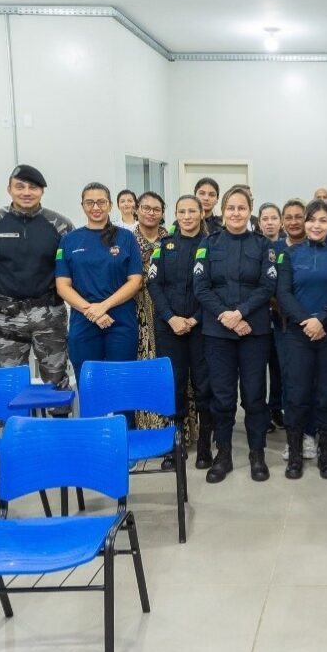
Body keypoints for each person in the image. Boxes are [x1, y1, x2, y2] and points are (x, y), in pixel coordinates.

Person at [194, 185, 277, 483]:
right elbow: (201, 287)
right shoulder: (208, 243)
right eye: (231, 208)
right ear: (223, 210)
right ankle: (224, 454)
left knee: (255, 396)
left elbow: (267, 287)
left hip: (253, 331)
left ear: (249, 210)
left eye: (242, 208)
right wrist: (227, 318)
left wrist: (239, 314)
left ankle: (257, 454)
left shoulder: (263, 245)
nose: (236, 213)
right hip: (218, 333)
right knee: (222, 397)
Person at [0, 165, 75, 392]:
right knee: (8, 383)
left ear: (42, 191)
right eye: (20, 187)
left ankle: (59, 426)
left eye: (33, 187)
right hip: (5, 316)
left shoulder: (60, 225)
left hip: (49, 315)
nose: (26, 192)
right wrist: (10, 286)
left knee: (57, 380)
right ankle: (14, 427)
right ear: (9, 189)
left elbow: (70, 267)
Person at [277, 199, 327, 479]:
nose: (316, 225)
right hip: (298, 334)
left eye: (322, 220)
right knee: (297, 394)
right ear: (304, 223)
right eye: (311, 220)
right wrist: (307, 321)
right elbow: (283, 294)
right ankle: (295, 454)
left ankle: (325, 454)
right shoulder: (289, 254)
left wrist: (322, 319)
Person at [150, 195, 213, 470]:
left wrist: (195, 319)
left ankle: (204, 446)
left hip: (203, 328)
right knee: (173, 387)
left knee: (204, 386)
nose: (187, 216)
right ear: (175, 215)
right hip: (169, 328)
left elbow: (215, 288)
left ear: (201, 213)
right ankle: (174, 445)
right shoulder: (163, 246)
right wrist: (171, 318)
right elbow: (154, 285)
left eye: (192, 211)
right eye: (181, 211)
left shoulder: (212, 245)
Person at [56, 183, 144, 378]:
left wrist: (103, 307)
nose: (96, 207)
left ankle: (122, 412)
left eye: (101, 202)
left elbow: (135, 281)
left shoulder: (126, 238)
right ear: (82, 206)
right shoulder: (69, 240)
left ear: (110, 205)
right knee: (89, 383)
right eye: (90, 203)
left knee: (121, 381)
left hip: (120, 321)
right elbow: (62, 286)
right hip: (84, 320)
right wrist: (92, 311)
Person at [257, 203, 287, 430]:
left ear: (281, 221)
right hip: (258, 315)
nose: (269, 222)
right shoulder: (256, 245)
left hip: (281, 317)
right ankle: (261, 413)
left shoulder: (286, 248)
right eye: (265, 218)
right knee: (258, 369)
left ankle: (276, 407)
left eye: (273, 218)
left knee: (278, 367)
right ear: (259, 223)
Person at [132, 191, 169, 373]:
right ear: (137, 210)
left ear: (162, 214)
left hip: (168, 306)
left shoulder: (171, 241)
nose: (151, 213)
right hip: (134, 307)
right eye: (146, 208)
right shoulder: (125, 240)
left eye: (156, 209)